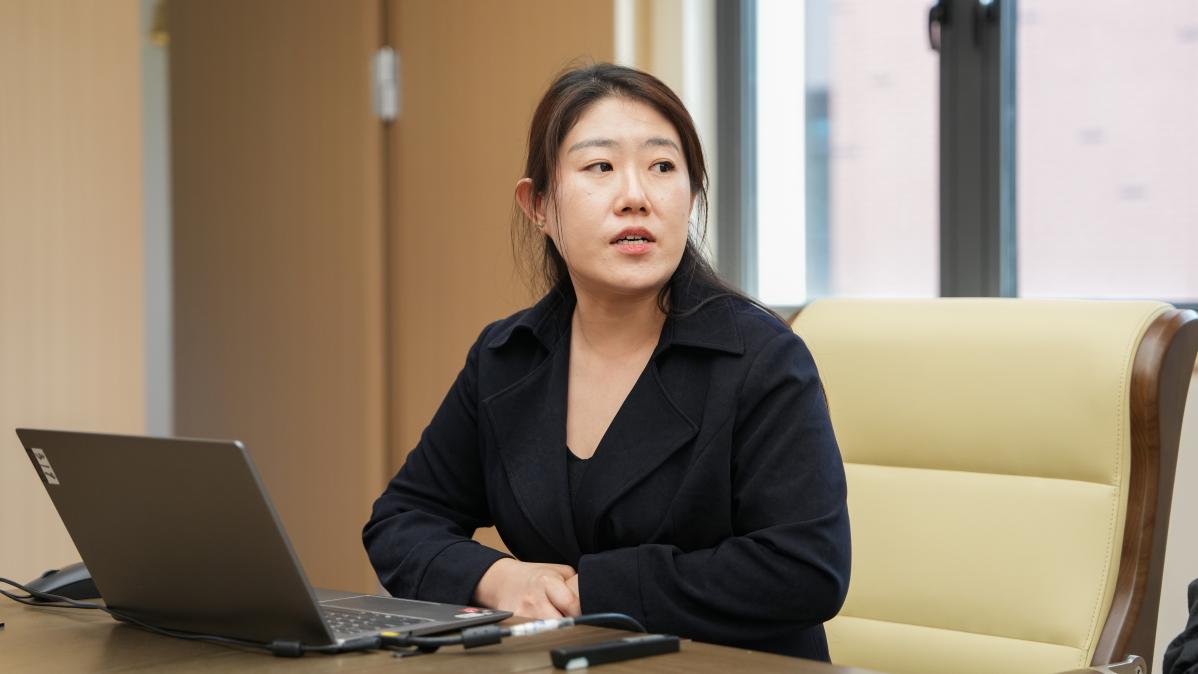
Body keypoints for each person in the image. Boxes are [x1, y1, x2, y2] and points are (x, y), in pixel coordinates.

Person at [362, 63, 851, 661]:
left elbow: (807, 567)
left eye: (662, 167)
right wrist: (496, 577)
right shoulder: (506, 358)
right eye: (600, 167)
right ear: (538, 205)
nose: (635, 197)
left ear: (691, 196)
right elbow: (401, 519)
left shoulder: (762, 359)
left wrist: (596, 591)